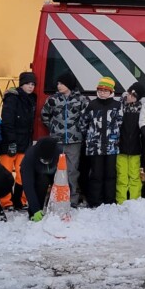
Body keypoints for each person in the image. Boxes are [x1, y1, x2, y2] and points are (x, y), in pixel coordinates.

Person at [41, 72, 88, 207]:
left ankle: (72, 199)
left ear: (69, 84)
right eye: (58, 83)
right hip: (57, 141)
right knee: (57, 170)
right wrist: (53, 128)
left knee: (72, 170)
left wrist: (79, 131)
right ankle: (58, 197)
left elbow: (86, 117)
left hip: (74, 141)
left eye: (61, 83)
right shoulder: (52, 99)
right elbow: (44, 115)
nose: (59, 86)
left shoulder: (81, 100)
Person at [81, 76, 123, 207]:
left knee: (110, 174)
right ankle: (95, 201)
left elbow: (121, 123)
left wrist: (115, 137)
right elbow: (83, 123)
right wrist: (90, 137)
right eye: (100, 90)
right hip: (95, 147)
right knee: (96, 174)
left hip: (111, 146)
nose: (102, 92)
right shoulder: (92, 105)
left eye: (105, 90)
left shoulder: (117, 105)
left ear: (111, 91)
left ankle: (109, 200)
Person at [0, 71, 38, 208]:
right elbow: (7, 121)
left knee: (22, 173)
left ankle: (19, 200)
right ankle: (6, 202)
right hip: (10, 142)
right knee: (5, 173)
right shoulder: (12, 98)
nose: (30, 86)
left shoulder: (32, 99)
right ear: (21, 84)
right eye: (28, 83)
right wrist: (11, 141)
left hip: (24, 142)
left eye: (33, 84)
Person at [115, 81, 145, 204]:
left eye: (134, 96)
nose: (130, 97)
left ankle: (135, 201)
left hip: (135, 149)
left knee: (135, 176)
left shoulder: (141, 108)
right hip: (121, 148)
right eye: (130, 94)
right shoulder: (119, 106)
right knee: (121, 176)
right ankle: (121, 201)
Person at [20, 136, 61, 222]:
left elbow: (64, 176)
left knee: (59, 183)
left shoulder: (59, 152)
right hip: (38, 176)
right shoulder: (30, 156)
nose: (46, 162)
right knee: (42, 181)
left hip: (54, 173)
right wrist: (35, 209)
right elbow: (28, 185)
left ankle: (55, 209)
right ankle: (36, 210)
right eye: (44, 160)